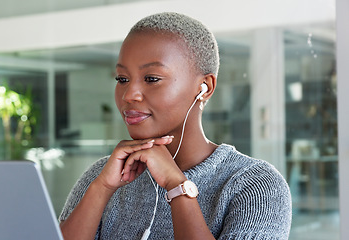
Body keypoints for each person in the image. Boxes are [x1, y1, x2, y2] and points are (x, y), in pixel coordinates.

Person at [59, 12, 292, 240]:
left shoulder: (255, 185)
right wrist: (102, 188)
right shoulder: (102, 175)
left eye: (151, 79)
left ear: (204, 87)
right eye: (122, 79)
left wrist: (177, 186)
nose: (129, 95)